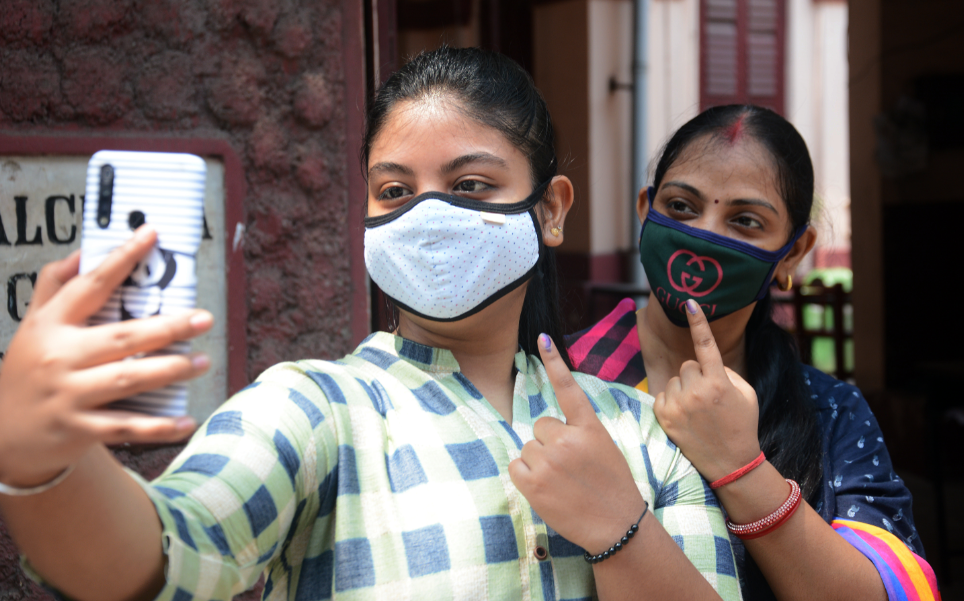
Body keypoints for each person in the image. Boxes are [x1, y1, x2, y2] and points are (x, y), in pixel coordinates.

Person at [0, 48, 743, 601]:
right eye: (395, 189)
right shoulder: (315, 408)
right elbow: (164, 552)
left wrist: (622, 528)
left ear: (549, 210)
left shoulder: (644, 431)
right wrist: (40, 460)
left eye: (470, 184)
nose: (426, 214)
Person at [567, 104, 940, 601]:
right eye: (681, 207)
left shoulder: (830, 413)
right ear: (645, 211)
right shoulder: (560, 377)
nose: (705, 236)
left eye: (744, 220)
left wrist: (740, 467)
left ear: (793, 251)